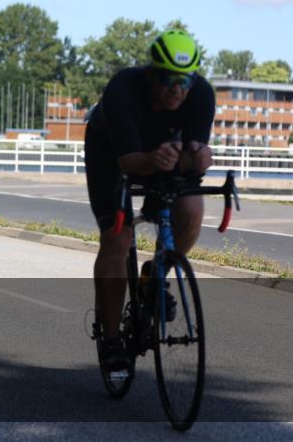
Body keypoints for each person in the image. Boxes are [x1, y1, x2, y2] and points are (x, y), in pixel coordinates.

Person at [84, 30, 215, 373]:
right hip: (112, 155)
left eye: (184, 80)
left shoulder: (200, 94)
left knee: (192, 209)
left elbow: (191, 157)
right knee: (118, 237)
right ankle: (111, 341)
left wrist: (199, 158)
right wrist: (161, 159)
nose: (178, 89)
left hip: (162, 157)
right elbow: (128, 162)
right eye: (169, 79)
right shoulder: (123, 89)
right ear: (151, 73)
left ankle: (154, 275)